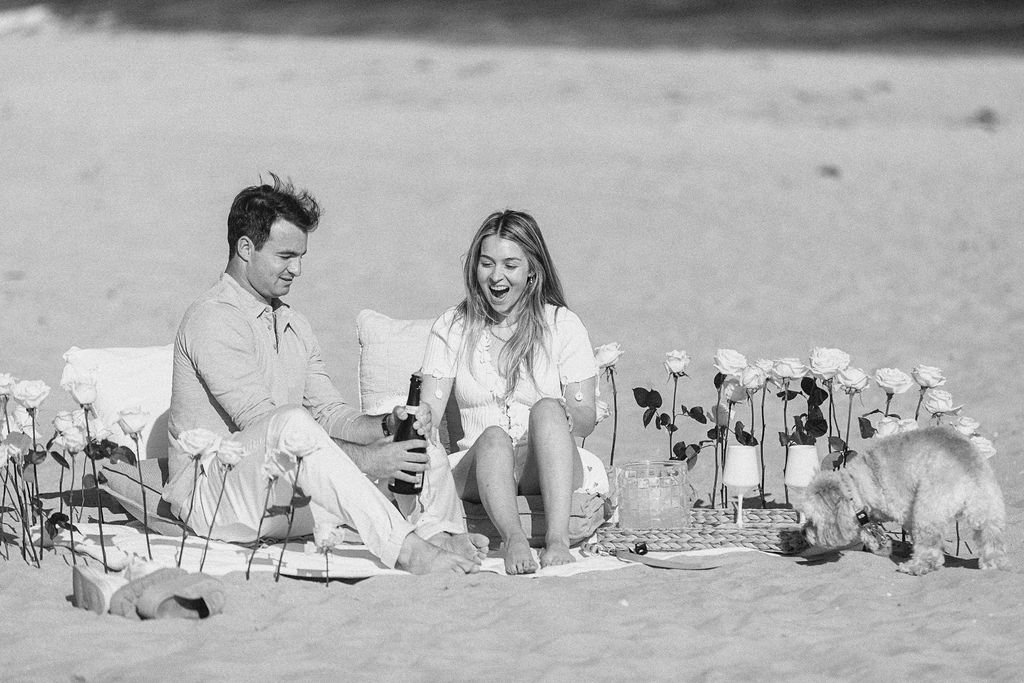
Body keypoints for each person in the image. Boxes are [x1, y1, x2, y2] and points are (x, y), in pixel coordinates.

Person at [163, 174, 486, 574]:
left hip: (281, 494)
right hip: (217, 497)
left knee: (417, 437)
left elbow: (332, 414)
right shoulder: (212, 318)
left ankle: (440, 535)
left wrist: (389, 425)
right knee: (292, 424)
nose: (297, 269)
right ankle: (408, 550)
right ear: (245, 249)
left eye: (301, 257)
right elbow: (265, 425)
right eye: (285, 256)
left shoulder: (294, 323)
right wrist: (367, 461)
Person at [419, 210, 598, 574]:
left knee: (548, 408)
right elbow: (429, 413)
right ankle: (514, 539)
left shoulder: (562, 325)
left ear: (532, 269)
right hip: (478, 464)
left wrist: (568, 413)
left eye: (510, 265)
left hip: (542, 462)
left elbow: (586, 420)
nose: (496, 276)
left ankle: (557, 540)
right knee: (493, 438)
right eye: (487, 264)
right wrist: (414, 420)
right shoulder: (453, 326)